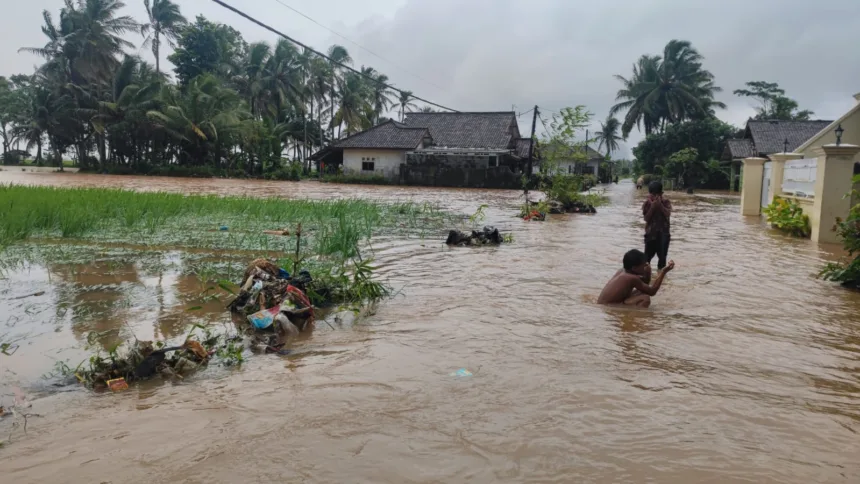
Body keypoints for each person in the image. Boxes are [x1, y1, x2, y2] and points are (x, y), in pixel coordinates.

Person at [597, 249, 675, 308]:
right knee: (645, 299)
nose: (645, 267)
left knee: (642, 293)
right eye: (643, 266)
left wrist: (648, 273)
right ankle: (635, 317)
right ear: (634, 268)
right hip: (609, 306)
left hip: (606, 303)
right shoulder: (631, 278)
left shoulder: (623, 271)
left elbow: (645, 287)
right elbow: (652, 292)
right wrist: (663, 272)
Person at [642, 181, 672, 270]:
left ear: (661, 193)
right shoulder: (647, 203)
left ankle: (661, 279)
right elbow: (646, 218)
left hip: (663, 235)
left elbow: (668, 214)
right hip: (651, 235)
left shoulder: (666, 202)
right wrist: (653, 207)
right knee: (646, 261)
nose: (654, 197)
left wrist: (660, 206)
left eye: (656, 195)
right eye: (652, 194)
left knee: (662, 260)